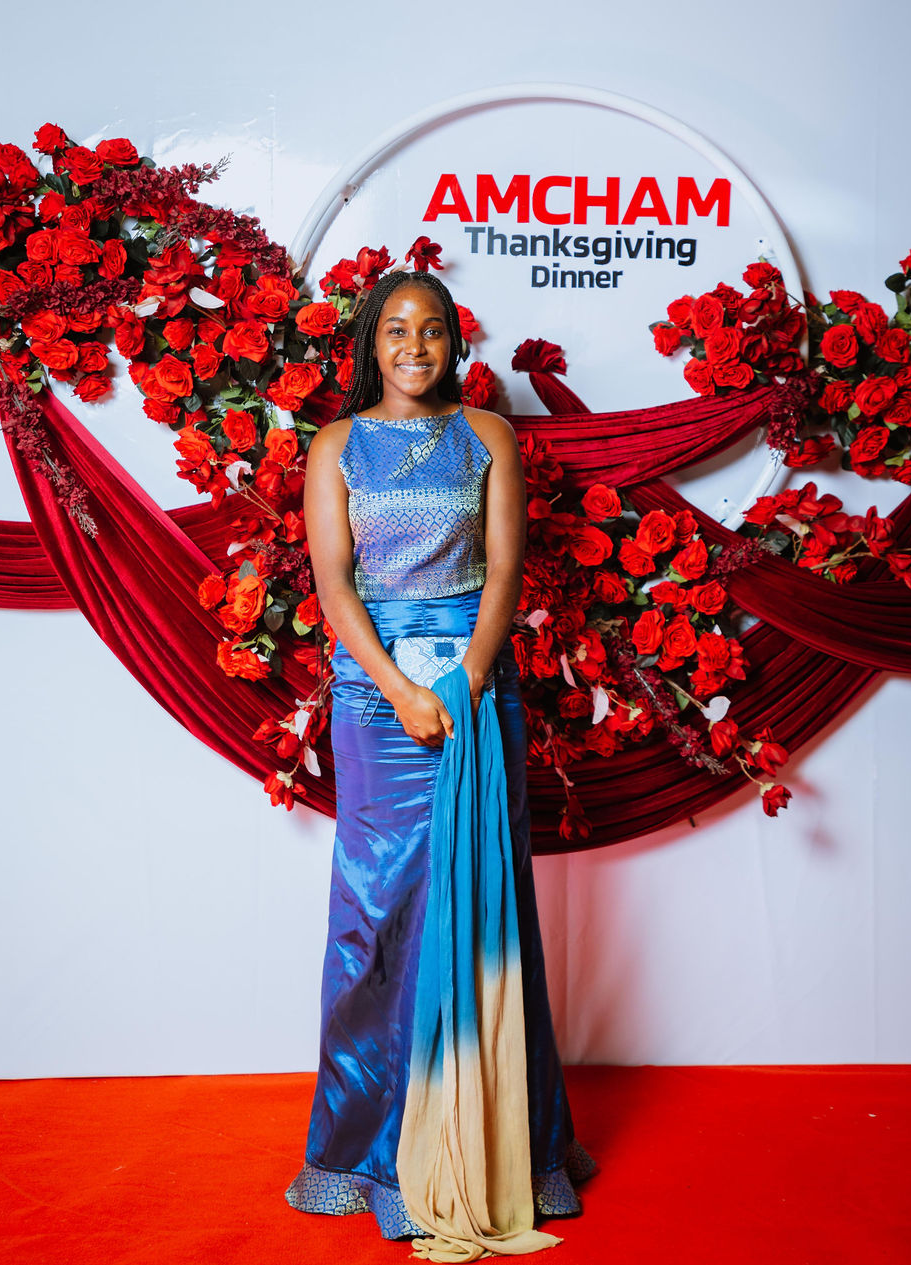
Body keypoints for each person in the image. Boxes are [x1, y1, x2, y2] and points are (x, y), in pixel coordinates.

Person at [285, 270, 593, 1259]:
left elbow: (503, 571)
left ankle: (508, 1145)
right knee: (378, 912)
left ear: (453, 343)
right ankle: (368, 1153)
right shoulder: (335, 445)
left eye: (430, 329)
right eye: (395, 329)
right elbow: (336, 585)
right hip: (375, 699)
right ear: (370, 344)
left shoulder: (488, 435)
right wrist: (402, 687)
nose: (413, 345)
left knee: (484, 902)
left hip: (476, 689)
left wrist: (465, 680)